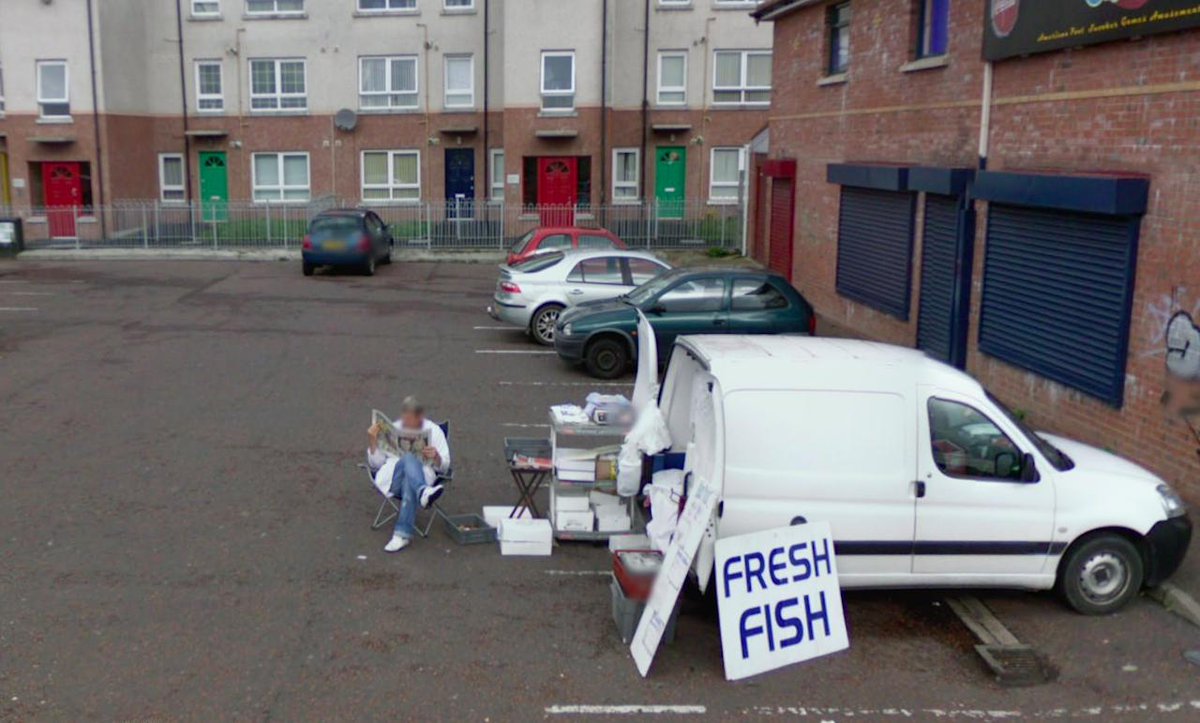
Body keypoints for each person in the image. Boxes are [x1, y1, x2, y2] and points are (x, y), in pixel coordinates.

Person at [366, 396, 450, 553]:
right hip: (393, 480)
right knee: (408, 458)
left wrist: (437, 457)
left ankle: (401, 535)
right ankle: (423, 492)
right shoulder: (393, 428)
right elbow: (376, 465)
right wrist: (372, 441)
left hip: (421, 476)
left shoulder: (435, 431)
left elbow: (445, 467)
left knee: (409, 479)